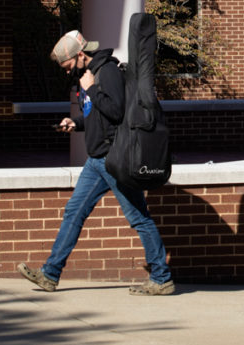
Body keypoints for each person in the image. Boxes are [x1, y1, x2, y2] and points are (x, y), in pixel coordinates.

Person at [17, 30, 175, 295]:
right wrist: (76, 123)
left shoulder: (107, 72)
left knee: (139, 218)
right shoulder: (88, 75)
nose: (68, 72)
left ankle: (161, 278)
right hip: (96, 161)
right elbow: (95, 116)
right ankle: (50, 274)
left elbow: (116, 111)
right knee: (74, 212)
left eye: (68, 66)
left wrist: (91, 88)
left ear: (80, 55)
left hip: (113, 158)